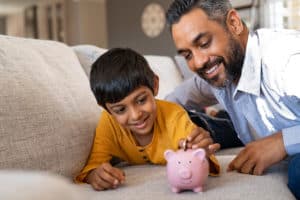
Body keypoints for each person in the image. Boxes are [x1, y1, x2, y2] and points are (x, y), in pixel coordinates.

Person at [165, 0, 300, 199]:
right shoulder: (216, 74)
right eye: (187, 55)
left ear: (234, 23)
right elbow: (170, 103)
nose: (199, 62)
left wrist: (282, 142)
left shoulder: (286, 60)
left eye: (204, 44)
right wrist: (184, 136)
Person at [74, 47, 220, 191]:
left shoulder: (174, 117)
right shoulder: (108, 124)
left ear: (155, 85)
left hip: (201, 123)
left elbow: (201, 155)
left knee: (223, 127)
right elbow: (93, 166)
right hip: (189, 116)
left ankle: (216, 115)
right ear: (106, 109)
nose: (136, 115)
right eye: (121, 109)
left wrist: (202, 153)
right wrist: (95, 176)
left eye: (141, 100)